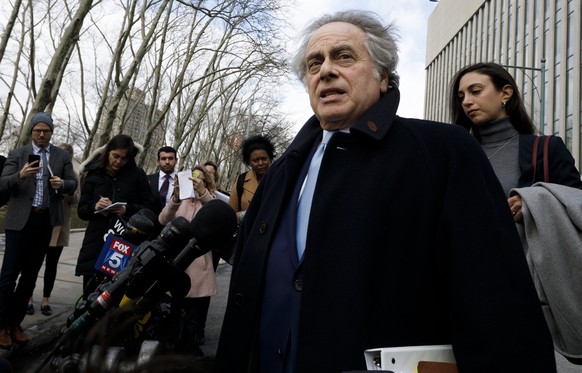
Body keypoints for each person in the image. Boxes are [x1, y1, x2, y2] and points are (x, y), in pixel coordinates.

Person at [216, 10, 556, 372]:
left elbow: (496, 301)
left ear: (382, 77)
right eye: (314, 63)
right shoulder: (280, 170)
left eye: (344, 56)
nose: (325, 70)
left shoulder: (443, 151)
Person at [449, 61, 582, 221]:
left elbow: (576, 200)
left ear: (505, 93)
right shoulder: (456, 156)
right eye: (461, 96)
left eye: (476, 91)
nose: (466, 101)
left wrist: (533, 201)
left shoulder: (547, 148)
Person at [0, 112, 77, 348]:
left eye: (46, 131)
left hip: (44, 223)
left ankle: (15, 324)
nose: (41, 134)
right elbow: (2, 183)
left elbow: (73, 184)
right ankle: (2, 326)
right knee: (8, 276)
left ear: (52, 133)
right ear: (31, 132)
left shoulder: (61, 156)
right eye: (37, 131)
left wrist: (62, 184)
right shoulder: (18, 154)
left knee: (30, 277)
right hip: (19, 223)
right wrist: (20, 175)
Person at [76, 134, 154, 294]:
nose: (118, 161)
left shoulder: (137, 175)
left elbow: (149, 208)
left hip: (122, 244)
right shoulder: (94, 173)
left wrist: (127, 209)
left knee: (113, 295)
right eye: (115, 156)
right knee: (89, 295)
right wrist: (95, 207)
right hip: (95, 242)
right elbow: (82, 211)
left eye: (124, 158)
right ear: (108, 152)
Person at [158, 165, 217, 358]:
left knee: (193, 315)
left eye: (199, 180)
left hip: (199, 266)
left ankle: (189, 349)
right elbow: (163, 219)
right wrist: (175, 198)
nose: (194, 183)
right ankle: (170, 347)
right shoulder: (179, 201)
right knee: (173, 311)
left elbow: (220, 216)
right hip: (177, 263)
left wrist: (203, 194)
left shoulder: (209, 201)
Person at [27, 143, 81, 316]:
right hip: (40, 221)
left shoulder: (74, 174)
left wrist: (65, 185)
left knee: (52, 264)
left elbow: (76, 200)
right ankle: (27, 298)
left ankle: (45, 300)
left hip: (60, 224)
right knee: (32, 263)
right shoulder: (42, 166)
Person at [228, 135, 275, 223]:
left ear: (270, 158)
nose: (260, 163)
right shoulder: (241, 181)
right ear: (249, 162)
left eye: (264, 159)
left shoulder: (279, 179)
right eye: (256, 160)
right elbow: (230, 216)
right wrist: (244, 215)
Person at [147, 146, 178, 234]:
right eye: (163, 159)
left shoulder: (182, 183)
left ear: (176, 160)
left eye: (170, 158)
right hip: (149, 227)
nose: (167, 162)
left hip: (171, 231)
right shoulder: (148, 180)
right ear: (158, 161)